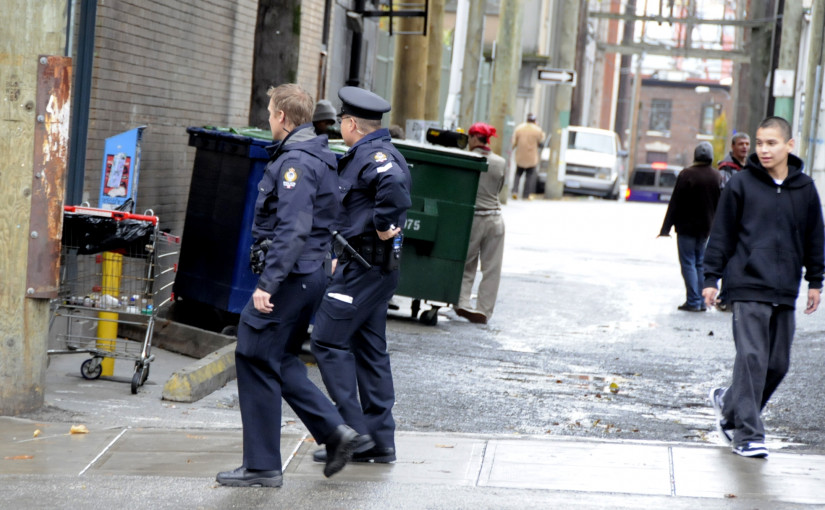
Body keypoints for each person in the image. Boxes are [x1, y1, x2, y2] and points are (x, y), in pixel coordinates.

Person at [216, 84, 363, 488]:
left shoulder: (296, 160)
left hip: (292, 276)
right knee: (277, 357)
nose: (267, 117)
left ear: (282, 116)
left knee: (251, 349)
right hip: (311, 273)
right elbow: (330, 213)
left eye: (269, 110)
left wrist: (267, 284)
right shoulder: (321, 153)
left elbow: (293, 229)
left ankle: (263, 464)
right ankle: (334, 432)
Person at [703, 116, 824, 459]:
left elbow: (816, 237)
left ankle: (729, 404)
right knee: (753, 358)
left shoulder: (805, 189)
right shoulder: (741, 185)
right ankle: (747, 434)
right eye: (759, 143)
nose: (764, 149)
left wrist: (816, 280)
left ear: (789, 145)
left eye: (771, 143)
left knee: (778, 364)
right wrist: (711, 279)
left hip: (785, 286)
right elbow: (722, 233)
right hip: (745, 282)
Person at [310, 86, 412, 464]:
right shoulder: (368, 154)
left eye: (342, 122)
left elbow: (394, 188)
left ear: (351, 123)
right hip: (369, 268)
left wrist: (384, 222)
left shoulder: (376, 155)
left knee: (326, 342)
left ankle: (354, 434)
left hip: (364, 270)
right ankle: (380, 441)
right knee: (370, 352)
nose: (340, 128)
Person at [658, 141, 721, 312]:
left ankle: (693, 301)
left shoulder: (686, 174)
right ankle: (700, 301)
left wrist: (665, 228)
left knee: (688, 262)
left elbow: (675, 202)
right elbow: (721, 205)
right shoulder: (717, 176)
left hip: (685, 227)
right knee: (700, 263)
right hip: (706, 228)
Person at [455, 122, 506, 325]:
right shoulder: (500, 162)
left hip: (475, 218)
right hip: (496, 219)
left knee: (467, 263)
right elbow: (499, 188)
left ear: (476, 138)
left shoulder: (469, 159)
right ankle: (484, 310)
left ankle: (462, 302)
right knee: (492, 269)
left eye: (469, 138)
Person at [716, 132, 751, 310]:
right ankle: (725, 298)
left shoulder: (749, 168)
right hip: (731, 222)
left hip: (746, 222)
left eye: (747, 144)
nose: (744, 147)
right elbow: (727, 195)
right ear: (733, 147)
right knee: (730, 260)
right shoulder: (726, 169)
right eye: (740, 144)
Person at [511, 113, 545, 200]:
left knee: (518, 174)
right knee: (529, 176)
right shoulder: (537, 130)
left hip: (520, 155)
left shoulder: (519, 128)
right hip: (531, 156)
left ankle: (515, 191)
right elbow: (541, 140)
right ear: (534, 121)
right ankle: (526, 194)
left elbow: (514, 142)